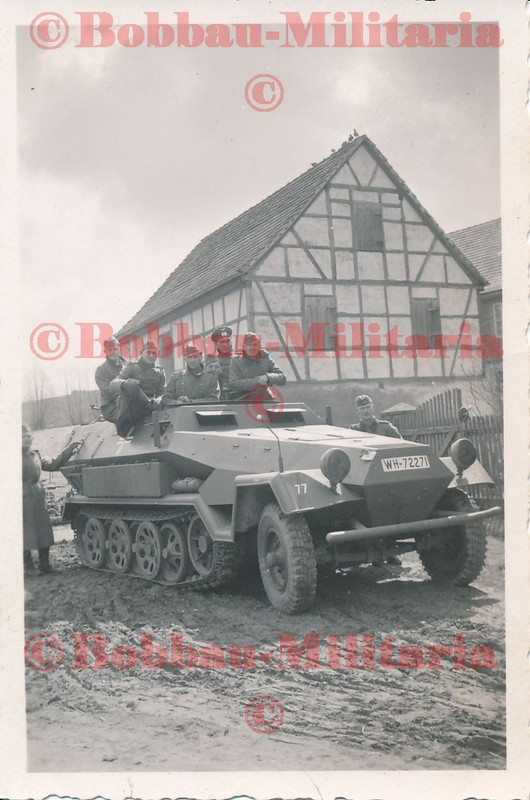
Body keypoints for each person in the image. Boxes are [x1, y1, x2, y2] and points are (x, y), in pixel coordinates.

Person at [22, 424, 82, 574]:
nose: (26, 439)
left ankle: (45, 564)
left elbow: (54, 463)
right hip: (21, 496)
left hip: (37, 495)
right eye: (23, 436)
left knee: (43, 530)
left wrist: (69, 451)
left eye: (28, 436)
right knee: (25, 531)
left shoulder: (36, 454)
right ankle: (27, 567)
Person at [351, 395, 402, 566]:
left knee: (389, 514)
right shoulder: (352, 431)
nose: (365, 411)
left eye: (367, 407)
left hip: (387, 478)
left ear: (372, 407)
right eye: (361, 409)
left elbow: (401, 446)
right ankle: (374, 553)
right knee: (366, 515)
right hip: (363, 479)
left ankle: (389, 553)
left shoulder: (386, 428)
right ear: (357, 411)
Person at [110, 340, 166, 436]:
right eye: (148, 352)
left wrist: (158, 400)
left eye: (154, 353)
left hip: (151, 409)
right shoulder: (132, 367)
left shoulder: (159, 372)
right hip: (132, 410)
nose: (152, 355)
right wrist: (125, 383)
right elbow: (113, 383)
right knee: (132, 388)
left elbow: (163, 392)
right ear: (141, 353)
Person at [228, 332, 286, 401]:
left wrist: (267, 378)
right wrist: (258, 381)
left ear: (259, 346)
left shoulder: (265, 359)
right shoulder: (236, 361)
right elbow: (233, 383)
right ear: (243, 346)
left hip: (264, 399)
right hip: (243, 399)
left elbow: (282, 378)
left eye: (254, 344)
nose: (251, 348)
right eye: (248, 345)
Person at [94, 336, 126, 423]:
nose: (113, 352)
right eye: (110, 350)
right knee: (129, 417)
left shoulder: (128, 366)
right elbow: (109, 392)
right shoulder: (101, 370)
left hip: (130, 403)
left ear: (119, 349)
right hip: (111, 407)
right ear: (105, 352)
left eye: (115, 349)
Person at [210, 325, 234, 401]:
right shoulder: (211, 362)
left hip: (238, 398)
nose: (225, 344)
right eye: (221, 342)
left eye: (227, 341)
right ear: (216, 344)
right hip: (218, 400)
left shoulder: (239, 360)